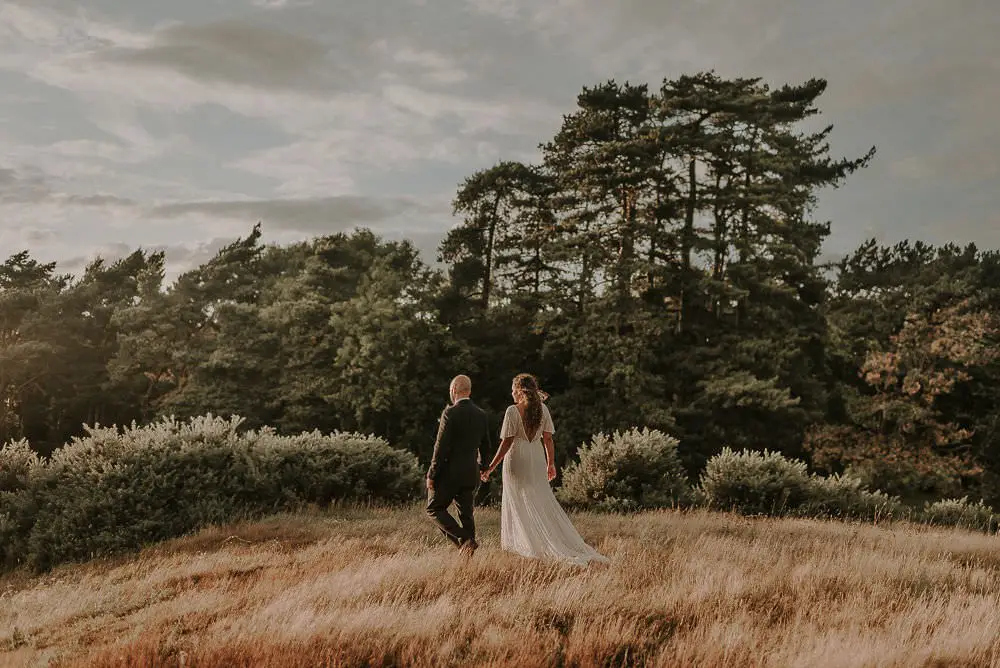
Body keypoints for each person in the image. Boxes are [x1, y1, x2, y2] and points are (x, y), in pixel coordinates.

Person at [481, 373, 608, 566]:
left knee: (517, 500)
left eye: (513, 389)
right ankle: (543, 542)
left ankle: (525, 546)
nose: (511, 392)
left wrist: (490, 467)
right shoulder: (544, 410)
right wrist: (551, 463)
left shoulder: (512, 411)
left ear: (518, 390)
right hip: (537, 457)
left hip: (517, 457)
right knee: (539, 499)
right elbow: (548, 439)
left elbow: (506, 443)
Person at [426, 374, 492, 555]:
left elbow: (440, 447)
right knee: (466, 515)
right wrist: (483, 467)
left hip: (450, 474)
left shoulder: (450, 413)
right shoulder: (481, 414)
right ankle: (467, 557)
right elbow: (486, 446)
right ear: (469, 391)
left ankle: (465, 540)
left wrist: (432, 474)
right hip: (471, 472)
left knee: (434, 509)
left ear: (453, 390)